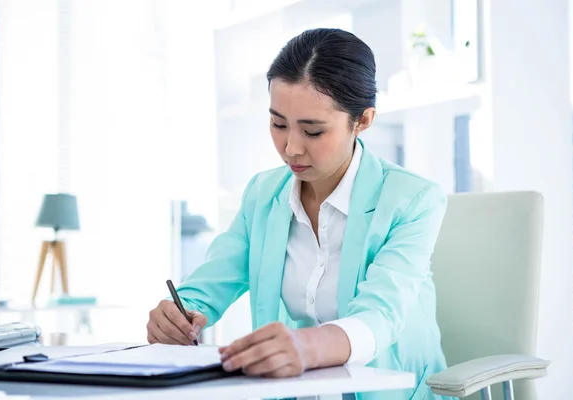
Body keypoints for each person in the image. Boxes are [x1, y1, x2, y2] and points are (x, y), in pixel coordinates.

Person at [147, 28, 451, 400]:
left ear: (363, 121)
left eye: (313, 131)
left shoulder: (414, 200)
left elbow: (381, 316)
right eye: (278, 124)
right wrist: (177, 316)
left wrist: (306, 347)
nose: (290, 148)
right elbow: (207, 288)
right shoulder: (263, 194)